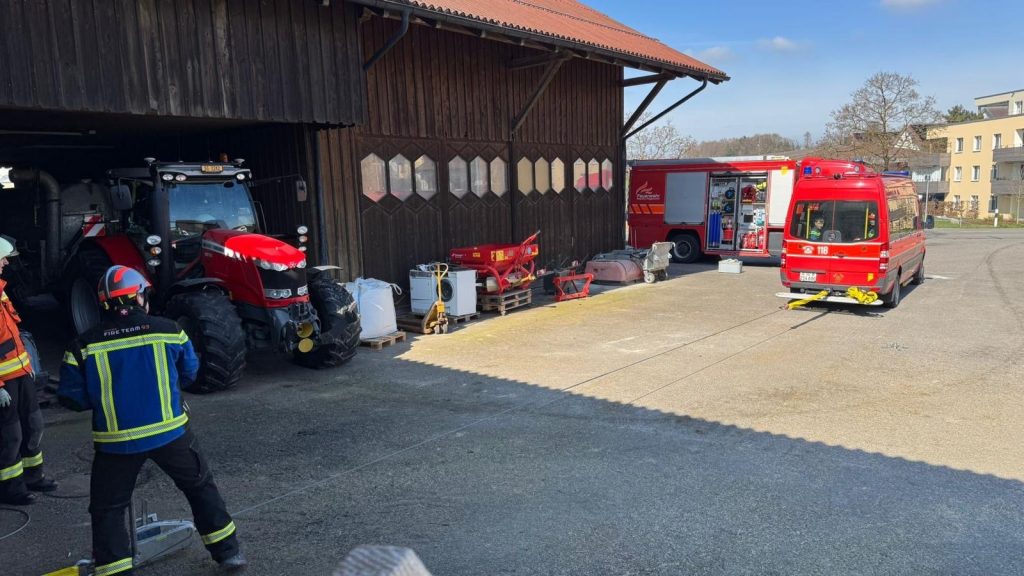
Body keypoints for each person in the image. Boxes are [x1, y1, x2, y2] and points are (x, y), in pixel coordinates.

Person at [59, 266, 246, 574]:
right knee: (200, 487)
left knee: (108, 509)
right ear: (138, 297)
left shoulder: (82, 345)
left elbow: (72, 398)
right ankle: (229, 553)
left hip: (116, 444)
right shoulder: (169, 330)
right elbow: (190, 373)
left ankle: (115, 569)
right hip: (170, 434)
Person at [0, 236, 57, 506]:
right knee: (10, 435)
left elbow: (12, 334)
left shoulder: (1, 291)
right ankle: (10, 487)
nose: (4, 263)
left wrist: (27, 364)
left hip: (20, 373)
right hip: (5, 382)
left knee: (33, 425)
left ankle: (33, 476)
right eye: (1, 259)